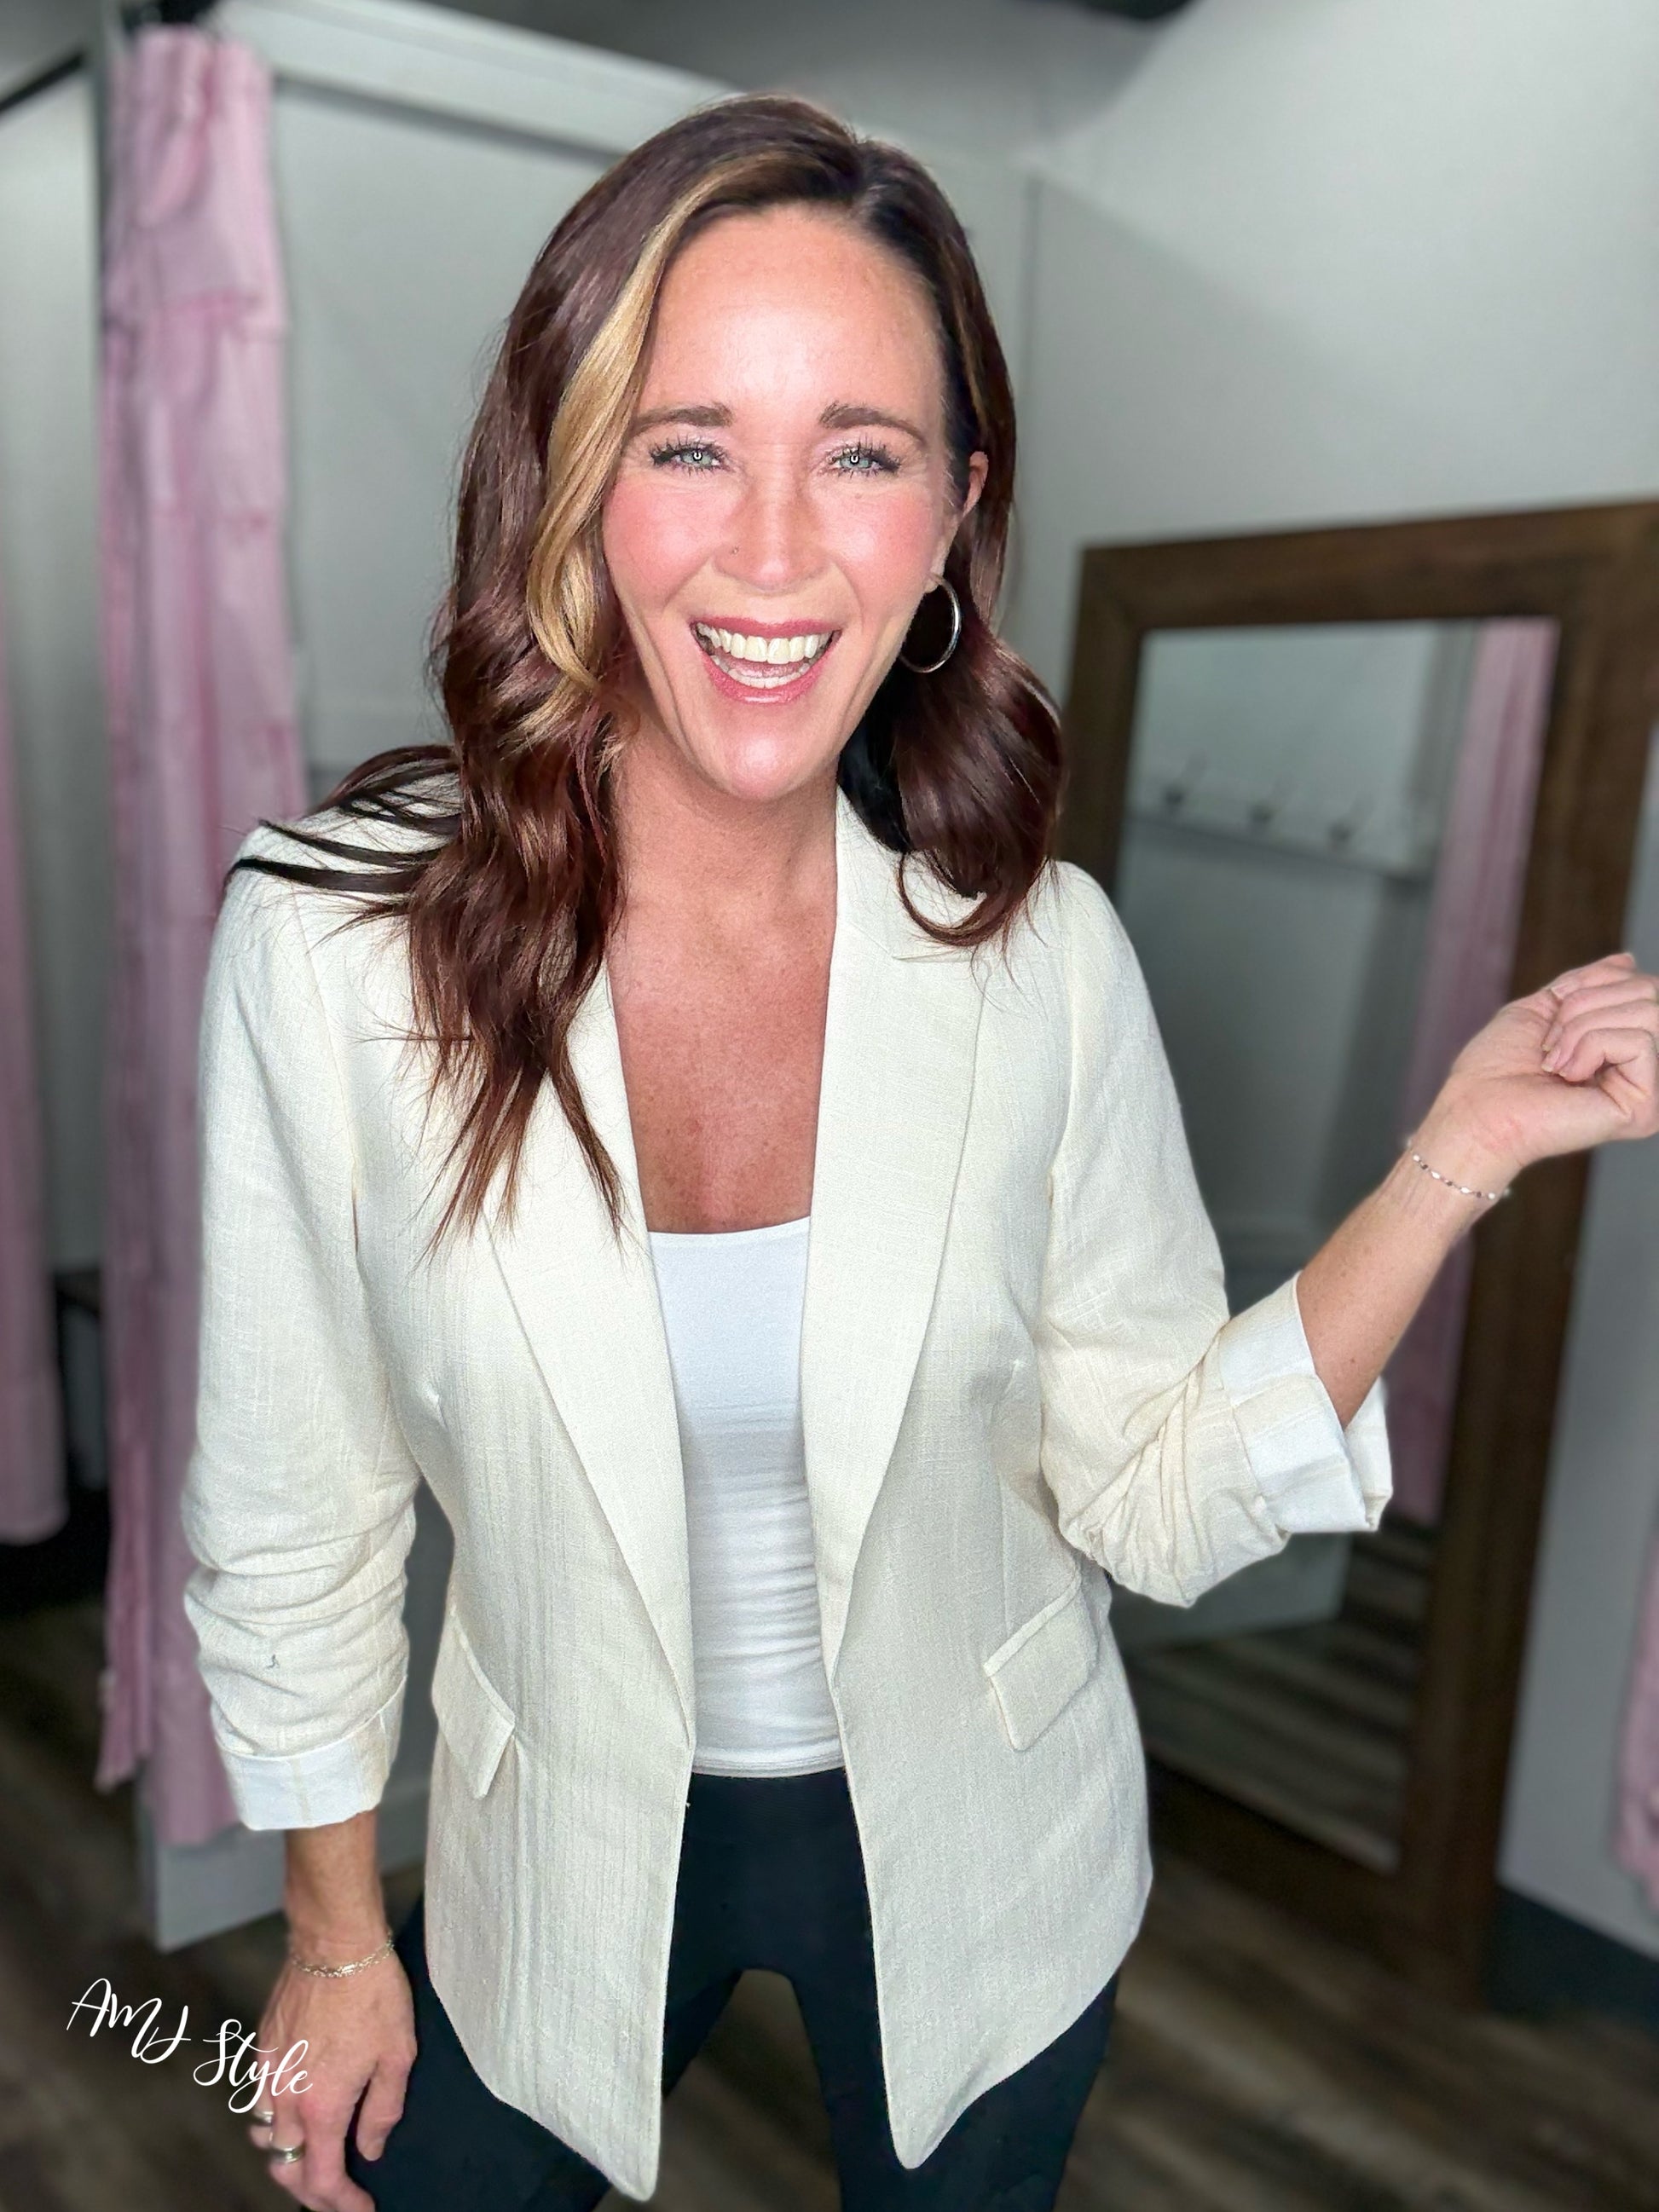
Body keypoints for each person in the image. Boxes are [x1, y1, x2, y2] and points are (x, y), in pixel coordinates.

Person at [178, 93, 1659, 2212]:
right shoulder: (330, 944)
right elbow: (292, 1496)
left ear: (954, 508)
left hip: (989, 1832)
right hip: (555, 1827)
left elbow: (1151, 1488)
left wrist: (1463, 1143)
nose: (774, 549)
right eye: (688, 442)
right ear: (569, 475)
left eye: (861, 452)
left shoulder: (1036, 961)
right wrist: (335, 1934)